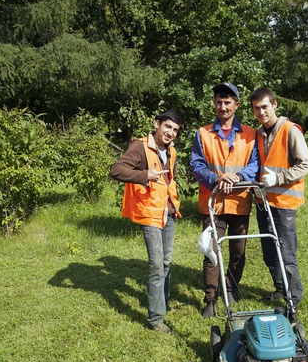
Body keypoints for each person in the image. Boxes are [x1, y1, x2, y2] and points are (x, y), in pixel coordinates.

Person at [110, 110, 182, 333]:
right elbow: (117, 170)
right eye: (167, 126)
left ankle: (164, 303)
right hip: (150, 214)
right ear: (157, 124)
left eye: (175, 130)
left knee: (167, 262)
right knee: (156, 265)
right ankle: (155, 319)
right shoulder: (139, 146)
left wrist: (173, 206)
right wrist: (144, 176)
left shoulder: (171, 152)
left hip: (168, 213)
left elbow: (170, 181)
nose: (170, 132)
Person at [191, 83, 259, 318]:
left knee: (238, 251)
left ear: (236, 105)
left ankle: (230, 288)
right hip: (213, 203)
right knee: (212, 252)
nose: (223, 106)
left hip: (240, 201)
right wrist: (217, 178)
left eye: (227, 102)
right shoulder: (203, 133)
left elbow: (255, 165)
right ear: (214, 104)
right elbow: (197, 165)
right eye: (219, 102)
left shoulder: (251, 134)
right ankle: (210, 298)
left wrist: (238, 176)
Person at [249, 88, 308, 310]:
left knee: (286, 253)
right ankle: (280, 288)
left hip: (284, 203)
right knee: (269, 252)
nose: (261, 112)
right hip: (263, 202)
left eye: (264, 106)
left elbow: (305, 164)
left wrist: (279, 177)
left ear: (274, 105)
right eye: (256, 108)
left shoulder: (290, 130)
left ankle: (293, 298)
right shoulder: (259, 133)